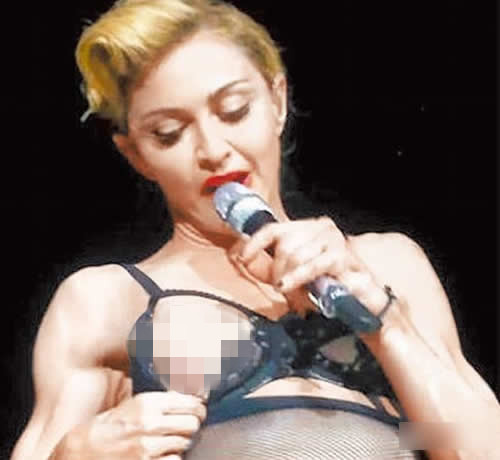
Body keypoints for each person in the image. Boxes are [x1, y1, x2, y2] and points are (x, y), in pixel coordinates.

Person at [11, 0, 500, 459]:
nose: (212, 149)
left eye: (234, 111)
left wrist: (384, 320)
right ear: (136, 155)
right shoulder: (106, 301)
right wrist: (75, 453)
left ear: (277, 101)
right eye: (169, 134)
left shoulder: (388, 263)